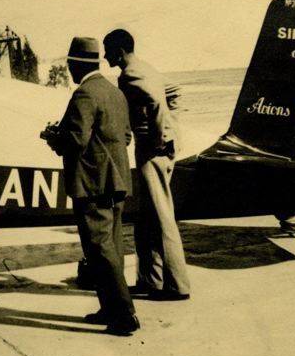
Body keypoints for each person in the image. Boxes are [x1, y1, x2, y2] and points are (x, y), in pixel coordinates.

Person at [42, 37, 139, 336]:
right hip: (117, 181)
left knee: (99, 250)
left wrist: (53, 138)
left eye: (70, 64)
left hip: (93, 185)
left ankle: (123, 315)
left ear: (76, 65)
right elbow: (125, 137)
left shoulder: (84, 93)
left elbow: (76, 140)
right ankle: (109, 309)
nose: (69, 70)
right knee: (112, 248)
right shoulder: (114, 91)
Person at [104, 28, 192, 301]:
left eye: (108, 51)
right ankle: (151, 281)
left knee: (161, 217)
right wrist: (174, 131)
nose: (105, 57)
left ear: (119, 51)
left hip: (152, 150)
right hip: (157, 148)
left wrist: (159, 138)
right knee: (147, 218)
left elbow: (155, 102)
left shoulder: (130, 74)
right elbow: (174, 92)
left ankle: (177, 286)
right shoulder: (146, 68)